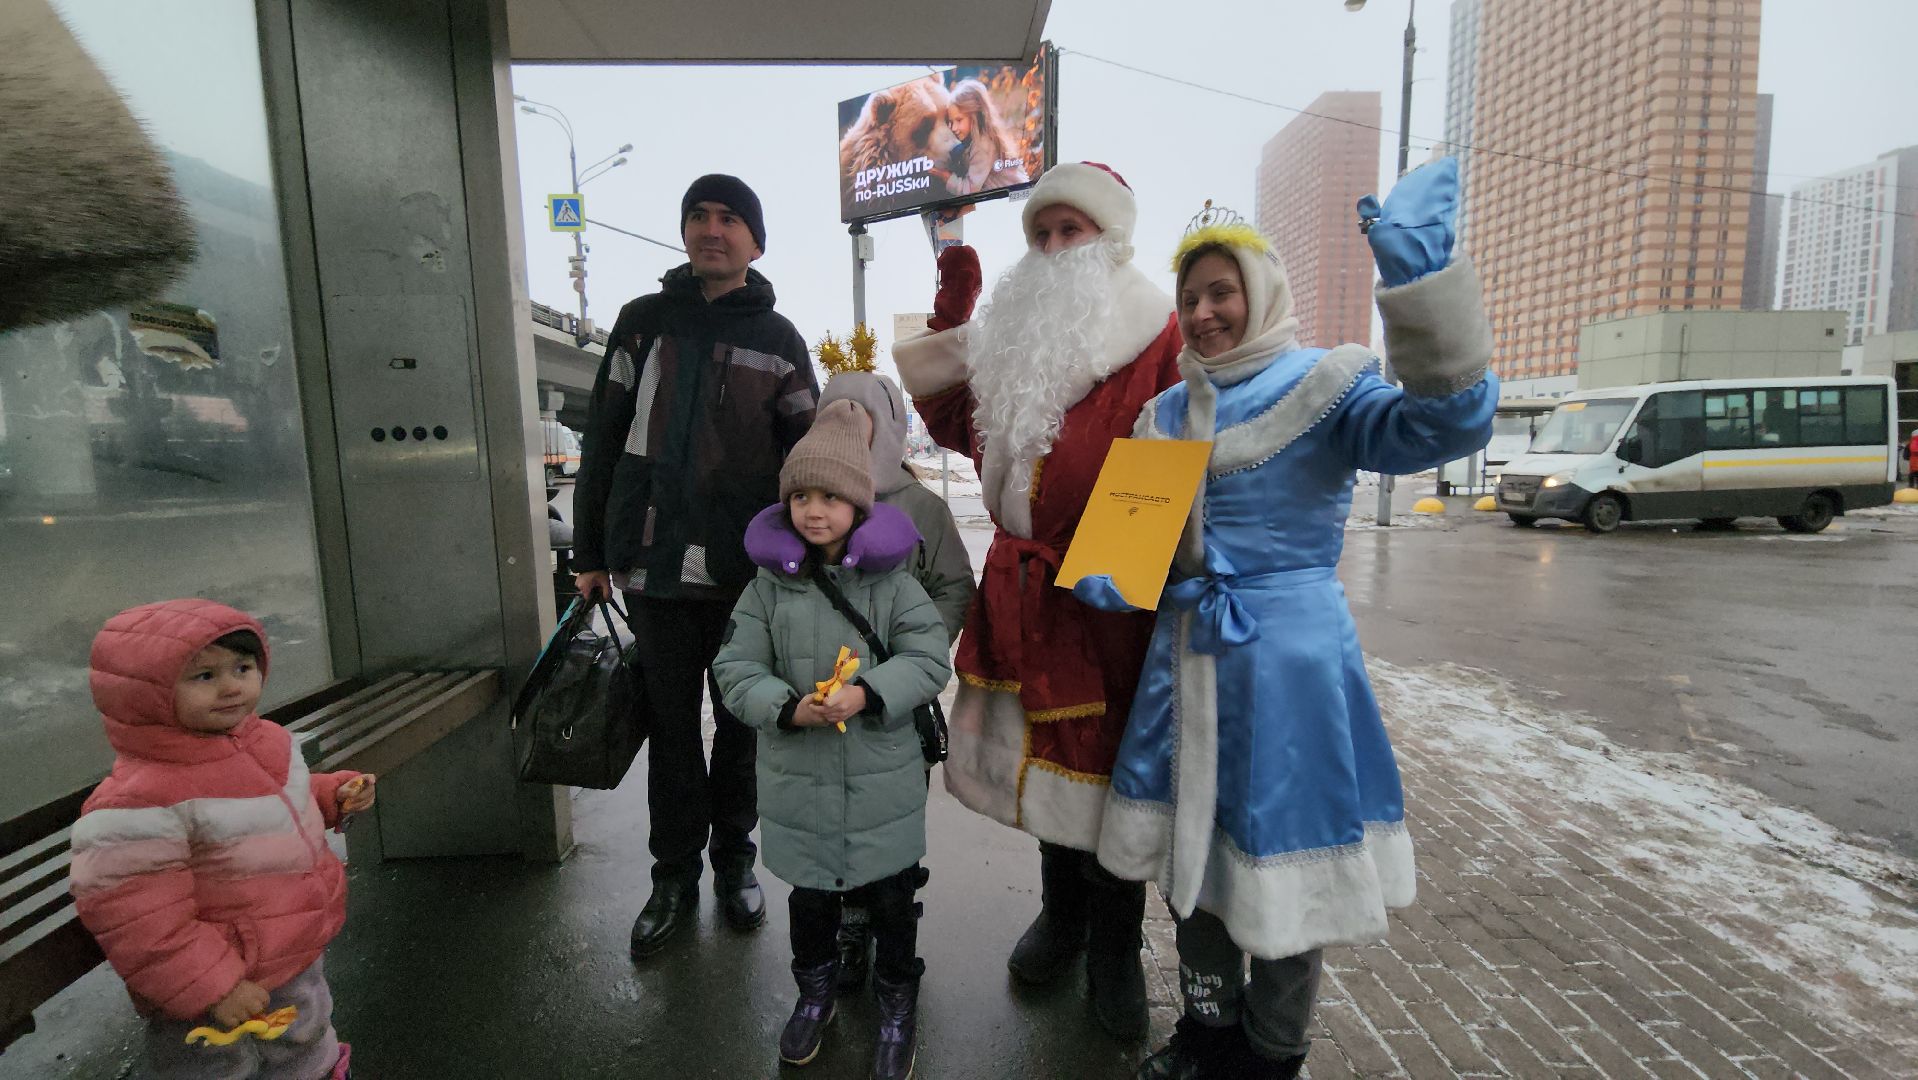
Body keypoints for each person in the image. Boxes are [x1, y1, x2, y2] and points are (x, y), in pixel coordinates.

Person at [1083, 159, 1496, 1079]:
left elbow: (1448, 428)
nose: (1202, 314)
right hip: (1186, 663)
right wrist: (1114, 568)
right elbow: (1131, 551)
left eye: (1220, 292)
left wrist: (1421, 287)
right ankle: (1206, 1034)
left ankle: (1271, 1057)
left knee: (1287, 868)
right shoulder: (1165, 411)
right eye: (1190, 298)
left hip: (1290, 673)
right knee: (1193, 866)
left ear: (1260, 290)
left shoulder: (1327, 384)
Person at [891, 161, 1182, 1039]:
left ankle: (1115, 946)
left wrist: (1124, 568)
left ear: (1109, 238)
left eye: (1071, 231)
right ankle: (1063, 916)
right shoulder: (1019, 338)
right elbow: (952, 416)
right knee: (1045, 756)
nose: (1055, 248)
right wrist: (955, 304)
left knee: (1109, 768)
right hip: (1025, 592)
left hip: (1111, 600)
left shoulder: (1156, 332)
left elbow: (1181, 450)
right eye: (1043, 233)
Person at [572, 174, 819, 959]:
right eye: (700, 216)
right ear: (685, 231)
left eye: (730, 219)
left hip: (748, 575)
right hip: (653, 569)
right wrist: (590, 553)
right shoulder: (641, 323)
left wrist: (810, 563)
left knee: (743, 728)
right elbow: (602, 438)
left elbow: (808, 462)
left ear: (756, 242)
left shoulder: (780, 341)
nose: (713, 229)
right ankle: (672, 875)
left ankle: (735, 860)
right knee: (672, 732)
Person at [712, 400, 953, 1080]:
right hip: (801, 783)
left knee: (892, 901)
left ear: (858, 504)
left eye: (830, 497)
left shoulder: (894, 584)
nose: (814, 511)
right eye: (801, 497)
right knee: (811, 902)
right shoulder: (766, 590)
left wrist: (867, 692)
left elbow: (930, 658)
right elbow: (735, 668)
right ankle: (815, 994)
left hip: (883, 781)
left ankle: (896, 1002)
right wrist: (786, 708)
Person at [69, 599, 375, 1080]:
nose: (232, 686)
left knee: (306, 1042)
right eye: (205, 676)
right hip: (215, 982)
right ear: (146, 695)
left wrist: (330, 796)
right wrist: (213, 985)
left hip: (288, 946)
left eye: (242, 668)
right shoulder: (141, 799)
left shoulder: (265, 743)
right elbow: (138, 917)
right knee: (219, 1065)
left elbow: (275, 804)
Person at [815, 355, 976, 994]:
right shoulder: (806, 504)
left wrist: (915, 653)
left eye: (858, 416)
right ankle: (852, 919)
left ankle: (895, 913)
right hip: (827, 707)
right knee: (836, 817)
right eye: (832, 415)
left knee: (893, 816)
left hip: (895, 707)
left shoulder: (922, 509)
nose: (846, 429)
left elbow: (954, 586)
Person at [939, 78, 1030, 198]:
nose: (953, 128)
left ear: (975, 115)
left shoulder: (982, 146)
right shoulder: (982, 136)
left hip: (1014, 198)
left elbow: (970, 190)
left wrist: (948, 178)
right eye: (951, 122)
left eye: (959, 120)